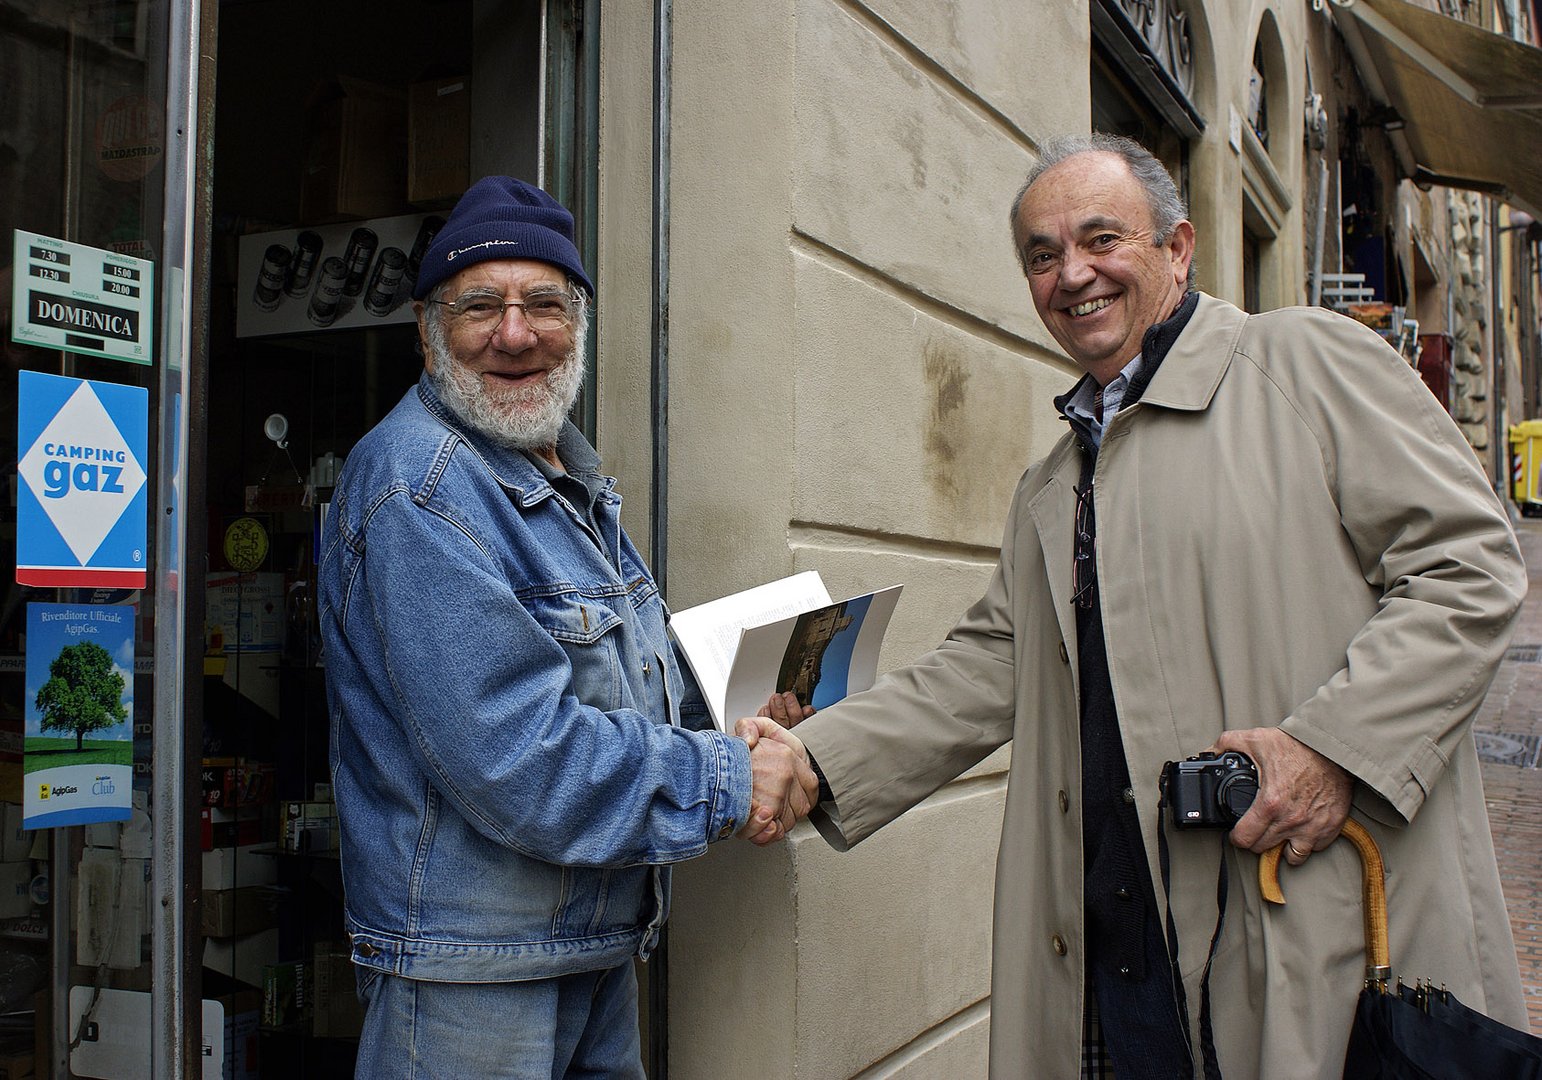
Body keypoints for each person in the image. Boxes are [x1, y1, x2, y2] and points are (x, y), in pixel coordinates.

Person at [744, 134, 1529, 1079]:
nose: (1072, 272)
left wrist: (1333, 749)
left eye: (1101, 237)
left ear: (1178, 248)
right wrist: (812, 759)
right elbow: (990, 664)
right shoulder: (1054, 479)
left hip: (1295, 907)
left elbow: (1470, 564)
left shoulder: (1304, 363)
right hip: (1118, 938)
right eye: (1041, 254)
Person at [317, 176, 817, 1079]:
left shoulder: (565, 479)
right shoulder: (417, 485)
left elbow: (619, 684)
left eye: (543, 303)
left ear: (577, 326)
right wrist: (728, 776)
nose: (516, 334)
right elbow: (518, 756)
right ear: (430, 338)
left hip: (580, 949)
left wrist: (739, 709)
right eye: (481, 307)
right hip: (471, 983)